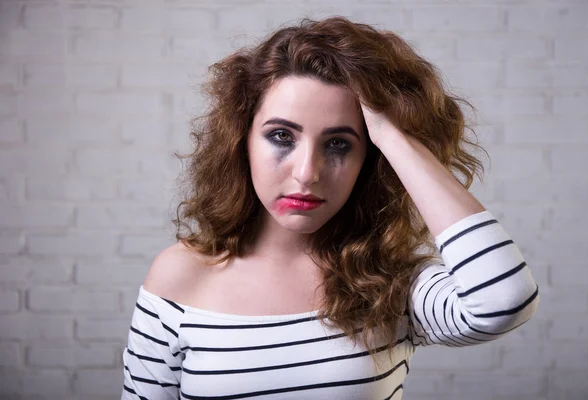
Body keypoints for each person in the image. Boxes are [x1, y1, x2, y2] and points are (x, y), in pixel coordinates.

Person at [121, 16, 540, 399]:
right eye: (282, 136)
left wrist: (392, 135)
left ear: (369, 159)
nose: (307, 174)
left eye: (339, 144)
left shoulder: (388, 283)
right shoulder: (181, 275)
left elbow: (503, 302)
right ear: (241, 139)